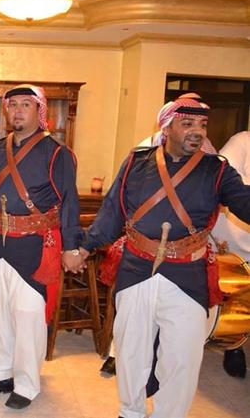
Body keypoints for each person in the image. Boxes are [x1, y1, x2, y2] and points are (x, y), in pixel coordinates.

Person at [81, 94, 250, 418]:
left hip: (188, 274)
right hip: (136, 268)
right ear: (167, 127)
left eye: (202, 124)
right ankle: (130, 411)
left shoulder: (216, 170)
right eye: (187, 124)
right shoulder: (136, 163)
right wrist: (85, 247)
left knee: (182, 357)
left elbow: (244, 202)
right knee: (131, 350)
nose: (197, 131)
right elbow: (112, 211)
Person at [0, 84, 83, 409]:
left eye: (25, 105)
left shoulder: (57, 153)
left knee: (28, 319)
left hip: (35, 246)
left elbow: (69, 201)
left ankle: (26, 384)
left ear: (39, 110)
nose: (17, 111)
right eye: (13, 105)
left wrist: (72, 246)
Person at [211, 129, 250, 378]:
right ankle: (233, 346)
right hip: (232, 240)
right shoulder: (242, 141)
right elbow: (221, 176)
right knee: (234, 300)